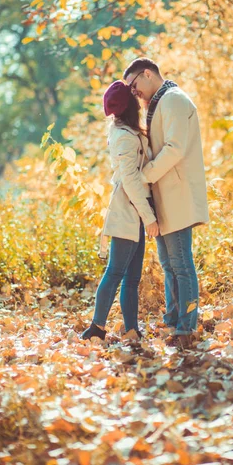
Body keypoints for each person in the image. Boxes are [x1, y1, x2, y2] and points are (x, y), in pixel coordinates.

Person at [123, 58, 209, 348]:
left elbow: (174, 149)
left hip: (177, 194)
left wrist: (144, 175)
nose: (134, 92)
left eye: (134, 85)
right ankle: (174, 322)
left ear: (148, 74)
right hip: (164, 196)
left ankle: (186, 329)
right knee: (169, 264)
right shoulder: (159, 102)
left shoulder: (172, 100)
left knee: (181, 264)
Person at [81, 80, 159, 342]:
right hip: (128, 209)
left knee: (132, 277)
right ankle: (97, 327)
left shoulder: (129, 131)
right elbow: (131, 181)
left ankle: (131, 329)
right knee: (116, 271)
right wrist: (149, 218)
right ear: (130, 106)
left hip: (135, 209)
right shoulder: (124, 137)